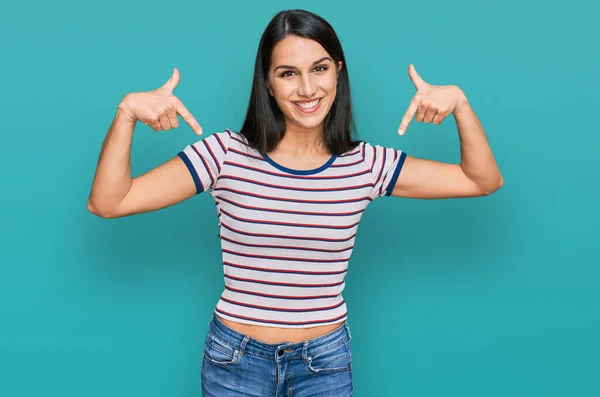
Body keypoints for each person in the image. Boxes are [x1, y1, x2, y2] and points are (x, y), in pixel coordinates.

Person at [87, 8, 503, 397]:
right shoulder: (224, 155)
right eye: (288, 73)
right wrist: (125, 114)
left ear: (338, 72)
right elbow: (109, 202)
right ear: (267, 83)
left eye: (319, 68)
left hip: (324, 362)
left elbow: (481, 179)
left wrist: (461, 105)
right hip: (234, 360)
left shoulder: (366, 165)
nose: (307, 89)